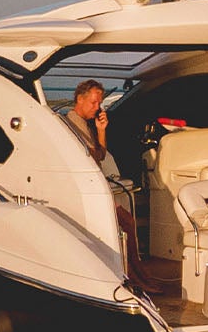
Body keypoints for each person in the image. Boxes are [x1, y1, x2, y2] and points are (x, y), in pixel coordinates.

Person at [62, 80, 165, 291]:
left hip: (94, 188)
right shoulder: (70, 124)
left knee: (127, 221)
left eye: (99, 102)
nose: (97, 107)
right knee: (126, 222)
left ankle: (138, 277)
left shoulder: (83, 125)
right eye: (93, 102)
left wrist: (101, 130)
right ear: (79, 100)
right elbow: (90, 157)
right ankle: (137, 279)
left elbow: (99, 155)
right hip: (85, 193)